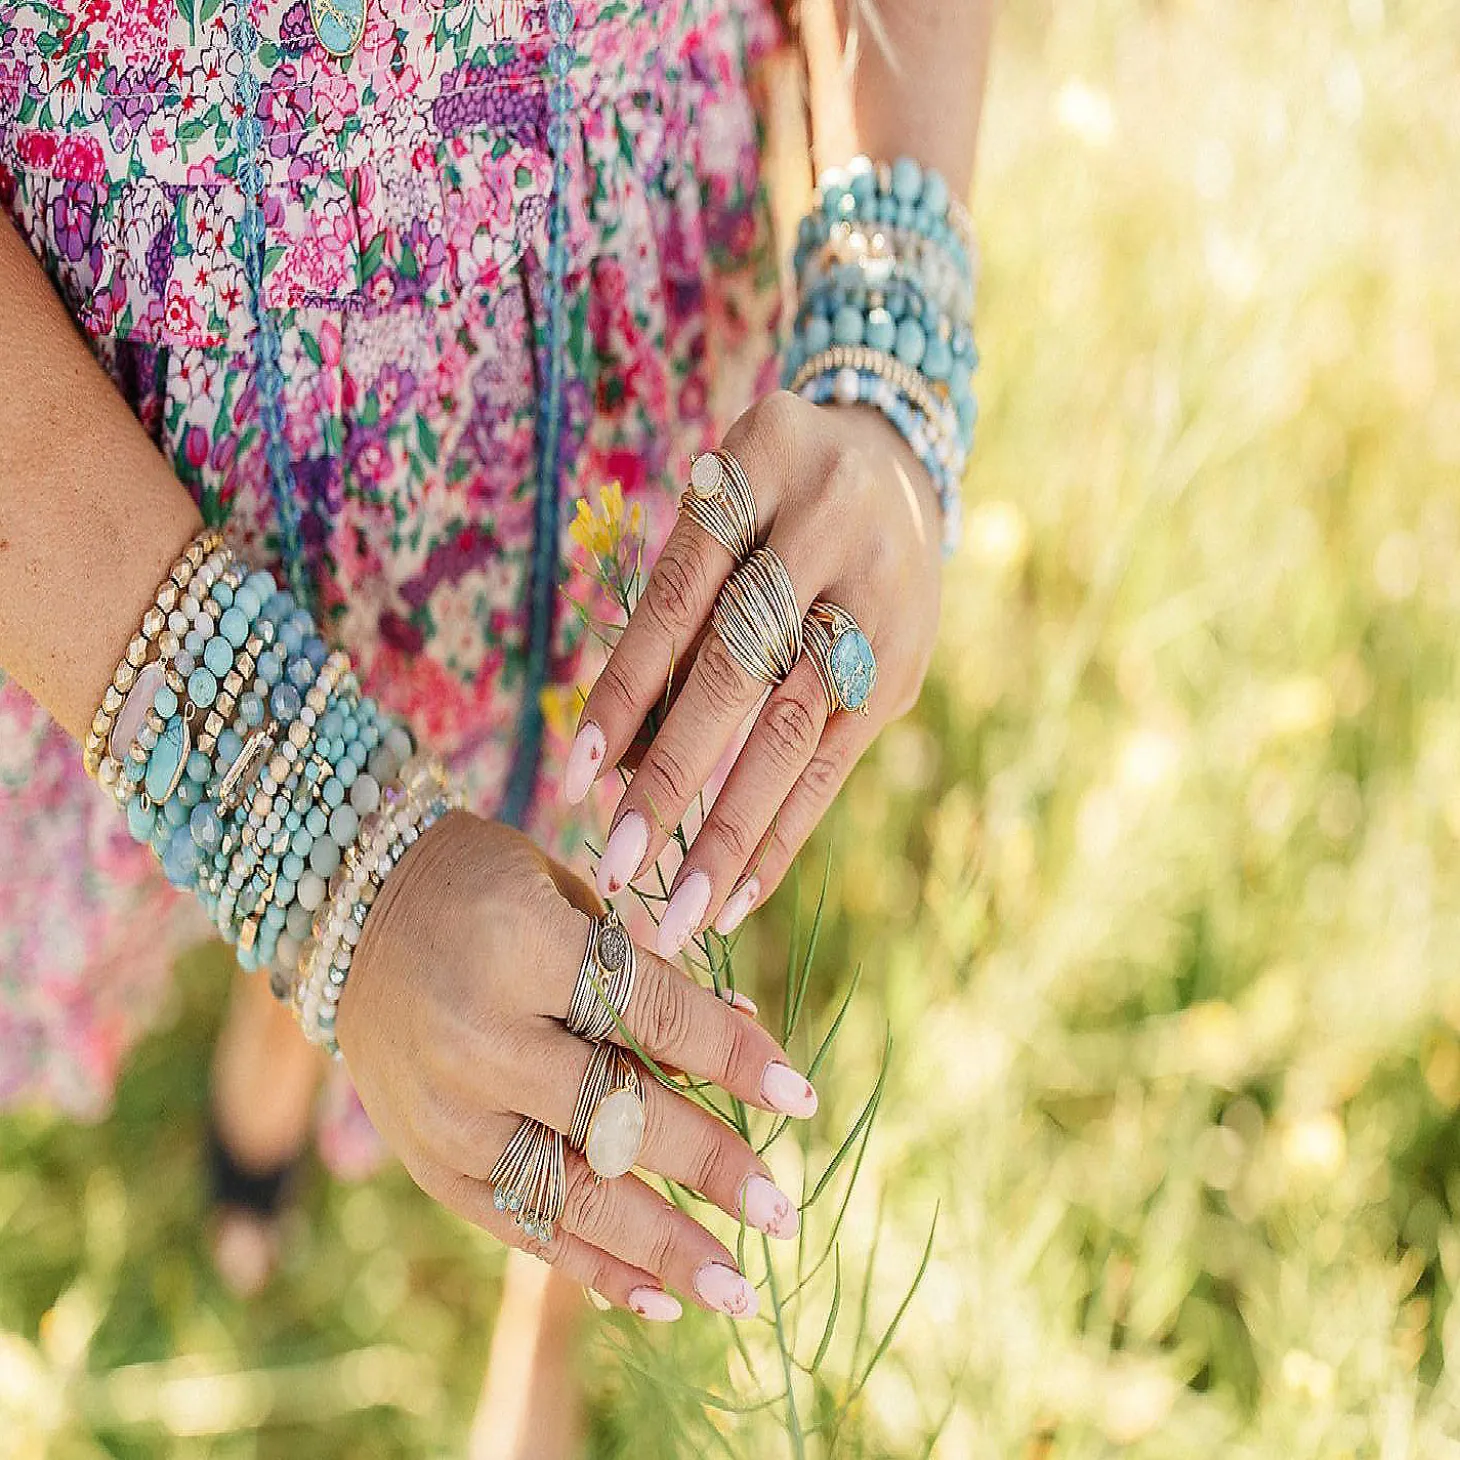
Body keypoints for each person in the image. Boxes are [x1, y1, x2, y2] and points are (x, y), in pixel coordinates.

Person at [0, 0, 991, 1451]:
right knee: (328, 905)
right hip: (103, 491)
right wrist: (327, 861)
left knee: (616, 874)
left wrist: (895, 358)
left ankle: (571, 1270)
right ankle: (294, 1011)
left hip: (616, 378)